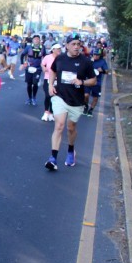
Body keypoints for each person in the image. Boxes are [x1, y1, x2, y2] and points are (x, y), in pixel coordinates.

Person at [45, 33, 97, 171]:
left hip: (76, 100)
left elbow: (93, 80)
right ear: (67, 45)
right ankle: (53, 158)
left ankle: (70, 150)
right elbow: (52, 71)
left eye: (78, 44)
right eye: (73, 44)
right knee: (59, 125)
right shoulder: (60, 58)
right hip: (60, 96)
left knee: (71, 127)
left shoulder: (86, 61)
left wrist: (82, 82)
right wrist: (50, 85)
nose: (76, 47)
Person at [19, 34, 45, 105]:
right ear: (32, 40)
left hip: (38, 68)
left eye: (37, 39)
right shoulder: (28, 47)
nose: (36, 40)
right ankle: (29, 98)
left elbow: (45, 57)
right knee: (29, 84)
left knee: (35, 83)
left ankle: (34, 98)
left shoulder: (42, 48)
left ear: (39, 40)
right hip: (29, 67)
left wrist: (44, 66)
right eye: (35, 39)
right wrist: (22, 64)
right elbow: (22, 55)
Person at [83, 49, 109, 117]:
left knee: (95, 98)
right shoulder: (88, 60)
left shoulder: (102, 62)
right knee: (86, 95)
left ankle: (91, 110)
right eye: (94, 54)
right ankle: (85, 106)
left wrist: (102, 70)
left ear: (100, 55)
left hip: (97, 82)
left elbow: (107, 71)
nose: (96, 56)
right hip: (88, 80)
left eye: (97, 55)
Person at [40, 43, 61, 122]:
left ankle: (51, 113)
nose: (59, 50)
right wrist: (43, 68)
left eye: (60, 49)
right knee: (48, 95)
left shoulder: (61, 58)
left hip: (57, 80)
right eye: (57, 49)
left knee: (54, 96)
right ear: (53, 50)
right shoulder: (47, 57)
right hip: (47, 79)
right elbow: (42, 64)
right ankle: (46, 112)